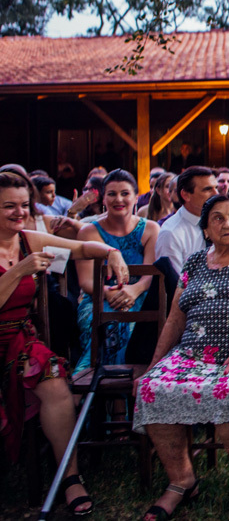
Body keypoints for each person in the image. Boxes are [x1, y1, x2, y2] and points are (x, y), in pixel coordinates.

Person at [135, 194, 229, 521]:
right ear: (205, 230)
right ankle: (182, 480)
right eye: (218, 218)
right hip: (192, 354)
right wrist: (154, 365)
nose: (228, 223)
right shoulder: (194, 263)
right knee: (151, 388)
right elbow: (175, 319)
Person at [0, 170, 130, 516]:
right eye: (8, 207)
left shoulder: (31, 239)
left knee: (55, 382)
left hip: (17, 336)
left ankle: (70, 478)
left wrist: (111, 253)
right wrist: (18, 271)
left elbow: (82, 247)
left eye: (24, 205)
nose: (19, 213)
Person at [73, 169, 158, 373]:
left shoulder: (151, 229)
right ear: (103, 198)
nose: (118, 199)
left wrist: (134, 290)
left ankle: (124, 396)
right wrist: (109, 293)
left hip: (139, 297)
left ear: (136, 197)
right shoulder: (88, 232)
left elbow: (150, 276)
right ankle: (91, 379)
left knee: (134, 327)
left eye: (125, 193)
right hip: (98, 299)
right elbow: (85, 282)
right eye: (111, 193)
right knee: (108, 323)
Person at [154, 166, 216, 276]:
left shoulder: (221, 223)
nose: (216, 194)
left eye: (216, 188)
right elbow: (174, 283)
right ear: (185, 195)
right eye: (207, 189)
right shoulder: (171, 233)